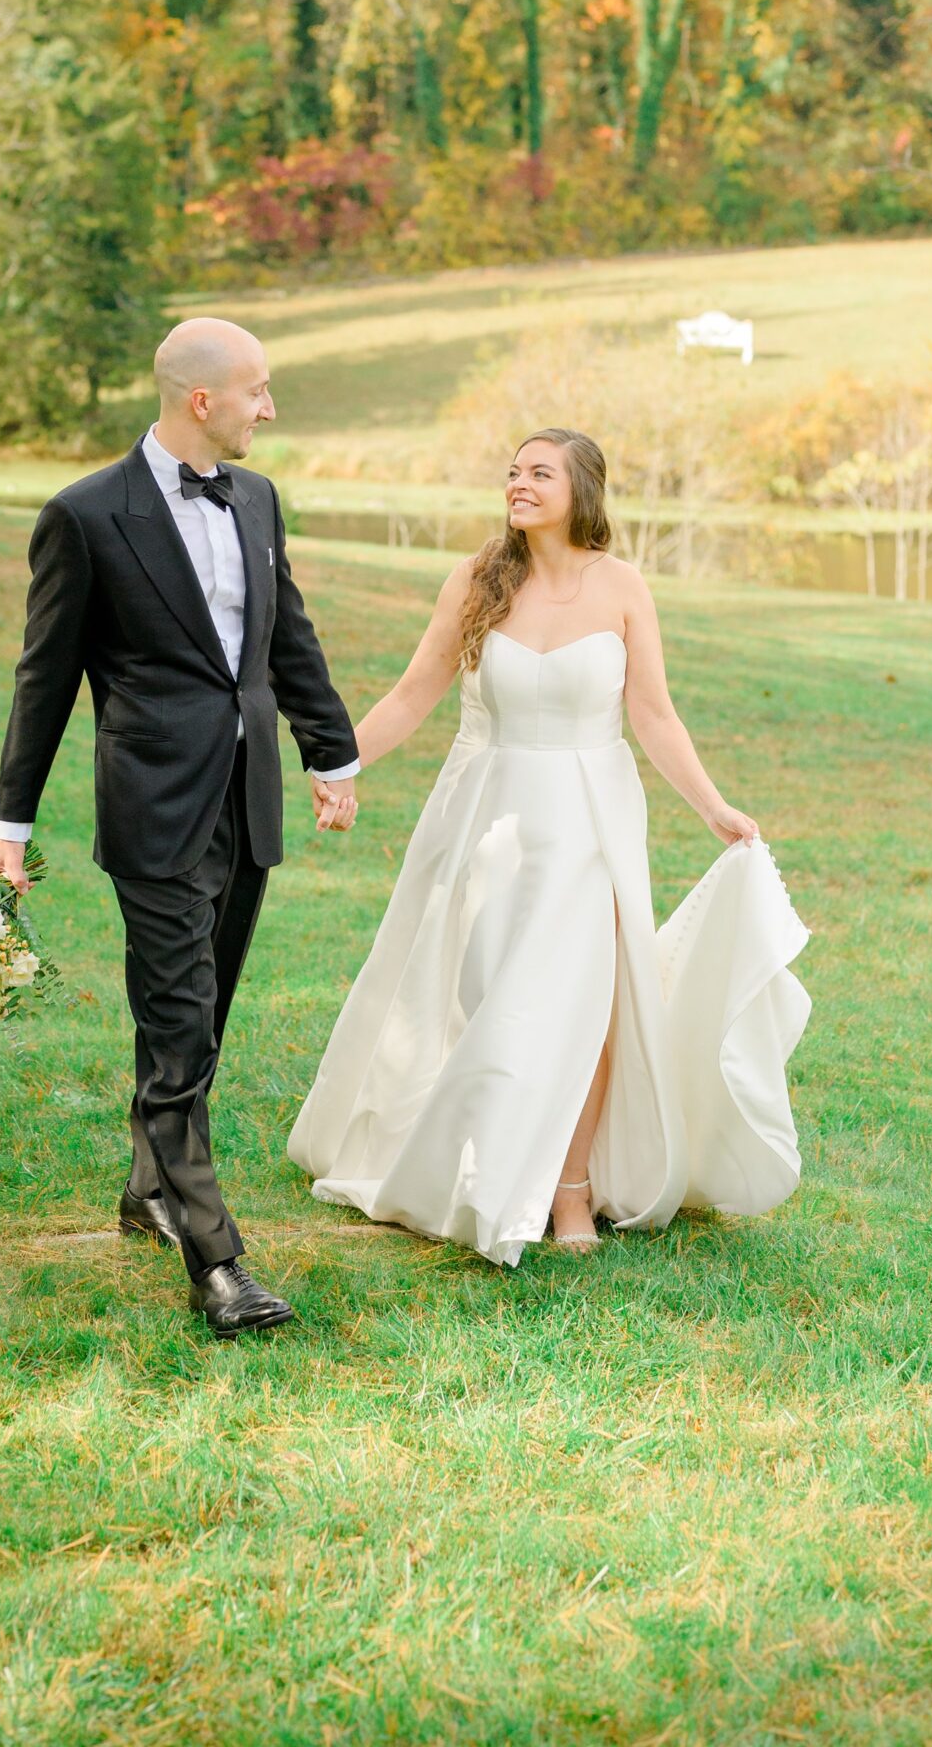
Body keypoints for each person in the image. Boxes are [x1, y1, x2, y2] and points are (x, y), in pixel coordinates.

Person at [289, 427, 810, 1265]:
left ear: (583, 490)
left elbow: (652, 714)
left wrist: (711, 806)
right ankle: (472, 1160)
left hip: (587, 817)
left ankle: (569, 1190)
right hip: (485, 809)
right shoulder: (476, 578)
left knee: (584, 1002)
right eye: (512, 471)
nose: (518, 483)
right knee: (481, 986)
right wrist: (337, 765)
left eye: (539, 473)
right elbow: (416, 689)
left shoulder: (624, 587)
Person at [0, 318, 361, 1339]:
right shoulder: (85, 515)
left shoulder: (257, 499)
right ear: (203, 400)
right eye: (257, 391)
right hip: (151, 808)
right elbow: (44, 678)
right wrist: (8, 825)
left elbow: (286, 635)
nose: (268, 408)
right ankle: (218, 1262)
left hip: (247, 801)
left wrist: (329, 754)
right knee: (180, 1021)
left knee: (199, 1018)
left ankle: (148, 1186)